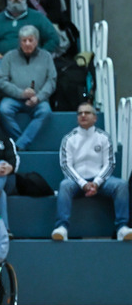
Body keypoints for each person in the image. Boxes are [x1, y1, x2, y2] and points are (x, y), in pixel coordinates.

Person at [51, 102, 132, 242]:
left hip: (100, 180)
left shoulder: (104, 137)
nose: (83, 115)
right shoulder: (69, 139)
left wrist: (96, 182)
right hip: (76, 181)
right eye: (80, 113)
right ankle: (62, 228)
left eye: (87, 113)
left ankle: (122, 228)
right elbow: (66, 166)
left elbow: (110, 164)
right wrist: (83, 184)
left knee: (121, 185)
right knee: (64, 185)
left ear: (95, 118)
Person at [0, 25, 56, 151]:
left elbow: (52, 81)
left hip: (38, 98)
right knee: (3, 109)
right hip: (14, 98)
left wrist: (39, 97)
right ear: (20, 42)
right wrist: (21, 94)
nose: (27, 43)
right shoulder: (9, 56)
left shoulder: (46, 57)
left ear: (37, 41)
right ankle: (21, 142)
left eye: (30, 40)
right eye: (24, 41)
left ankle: (19, 145)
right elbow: (2, 81)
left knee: (46, 112)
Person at [0, 0, 58, 79]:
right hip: (4, 60)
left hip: (31, 59)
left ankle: (15, 81)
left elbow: (53, 38)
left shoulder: (38, 17)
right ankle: (22, 78)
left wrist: (40, 54)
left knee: (42, 68)